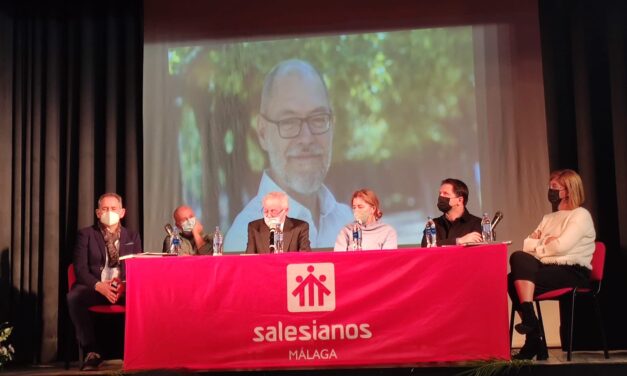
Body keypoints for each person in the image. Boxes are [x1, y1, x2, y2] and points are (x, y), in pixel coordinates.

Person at [224, 59, 352, 251]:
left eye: (318, 119)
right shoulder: (243, 238)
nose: (307, 138)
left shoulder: (350, 223)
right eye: (289, 121)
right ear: (262, 133)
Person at [508, 169, 595, 360]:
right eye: (550, 186)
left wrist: (539, 243)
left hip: (572, 271)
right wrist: (546, 242)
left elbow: (562, 246)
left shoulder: (580, 215)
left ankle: (534, 339)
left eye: (554, 187)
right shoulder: (548, 218)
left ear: (569, 190)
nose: (550, 190)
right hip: (548, 268)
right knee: (517, 259)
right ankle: (532, 329)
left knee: (516, 278)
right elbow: (526, 245)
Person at [67, 193, 142, 370]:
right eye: (105, 209)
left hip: (122, 288)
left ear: (122, 212)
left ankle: (137, 351)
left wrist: (123, 285)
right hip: (94, 287)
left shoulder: (132, 236)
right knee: (74, 297)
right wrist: (99, 286)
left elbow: (136, 266)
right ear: (98, 212)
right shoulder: (85, 234)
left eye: (114, 209)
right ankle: (91, 352)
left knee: (144, 297)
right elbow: (80, 269)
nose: (110, 212)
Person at [420, 178, 482, 247]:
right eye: (440, 193)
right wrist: (458, 241)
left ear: (460, 200)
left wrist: (441, 244)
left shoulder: (478, 224)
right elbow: (426, 247)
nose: (441, 196)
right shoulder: (433, 224)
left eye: (445, 193)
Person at [246, 191, 312, 254]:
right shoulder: (254, 227)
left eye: (273, 211)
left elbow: (305, 256)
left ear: (286, 211)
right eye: (266, 211)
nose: (269, 215)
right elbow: (249, 259)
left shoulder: (300, 227)